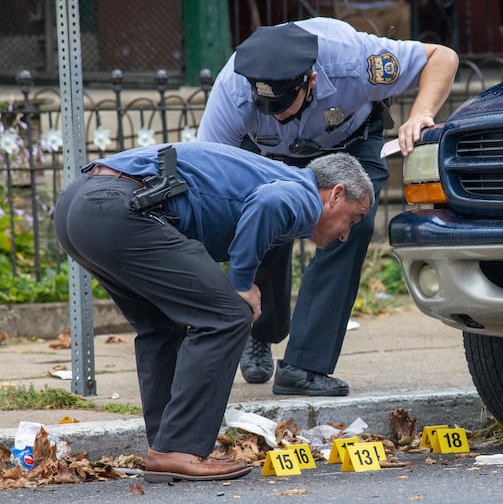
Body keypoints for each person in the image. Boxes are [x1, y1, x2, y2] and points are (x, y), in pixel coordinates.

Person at [53, 142, 373, 483]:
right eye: (354, 218)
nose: (345, 235)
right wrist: (241, 282)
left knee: (162, 325)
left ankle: (167, 449)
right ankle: (179, 448)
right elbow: (269, 204)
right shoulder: (305, 195)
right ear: (336, 194)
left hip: (79, 206)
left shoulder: (276, 175)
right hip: (119, 207)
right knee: (229, 315)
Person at [198, 17, 459, 395]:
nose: (277, 114)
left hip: (348, 141)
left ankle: (304, 366)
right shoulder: (233, 89)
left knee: (351, 225)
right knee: (259, 216)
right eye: (266, 105)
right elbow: (211, 174)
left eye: (284, 105)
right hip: (268, 155)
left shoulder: (355, 61)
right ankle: (262, 328)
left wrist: (420, 113)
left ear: (312, 81)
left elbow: (441, 56)